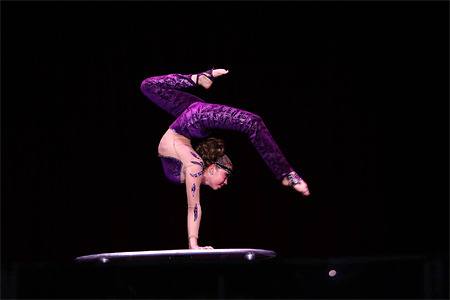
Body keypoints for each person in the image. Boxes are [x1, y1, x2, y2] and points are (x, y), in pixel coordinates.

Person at [140, 68, 310, 250]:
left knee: (148, 86)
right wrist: (194, 244)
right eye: (226, 174)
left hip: (188, 118)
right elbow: (194, 206)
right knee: (252, 122)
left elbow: (193, 205)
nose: (226, 182)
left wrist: (193, 245)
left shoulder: (193, 166)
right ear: (212, 168)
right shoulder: (195, 165)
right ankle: (286, 174)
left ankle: (199, 77)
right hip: (194, 117)